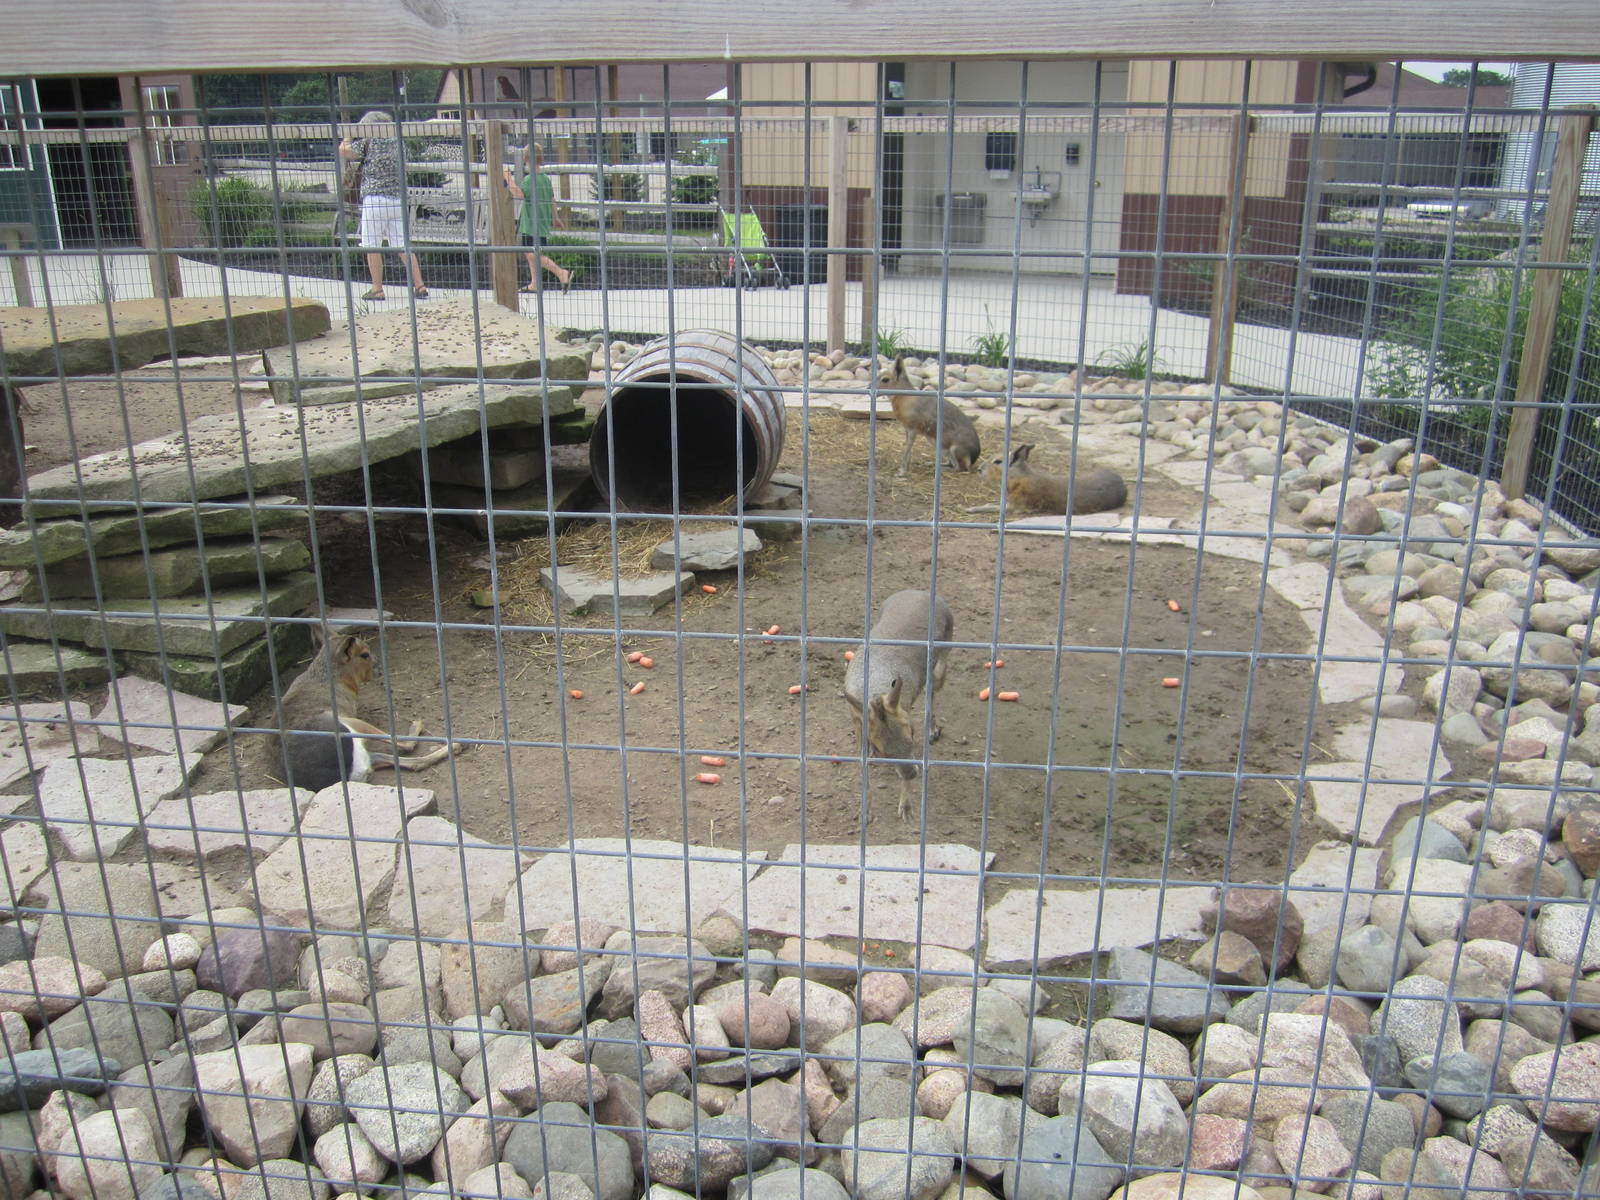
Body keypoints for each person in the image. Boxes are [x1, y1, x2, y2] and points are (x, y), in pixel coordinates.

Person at [340, 110, 427, 300]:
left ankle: (377, 289)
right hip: (398, 199)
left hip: (375, 200)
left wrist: (347, 135)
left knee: (372, 245)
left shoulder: (368, 143)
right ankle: (420, 286)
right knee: (402, 245)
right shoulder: (399, 144)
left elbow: (344, 151)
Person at [504, 144, 573, 293]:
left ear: (526, 159)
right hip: (542, 222)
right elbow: (552, 199)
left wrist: (508, 178)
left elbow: (519, 194)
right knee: (531, 255)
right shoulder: (545, 179)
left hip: (531, 224)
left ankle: (562, 273)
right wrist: (555, 218)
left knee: (533, 254)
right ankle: (535, 283)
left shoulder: (530, 180)